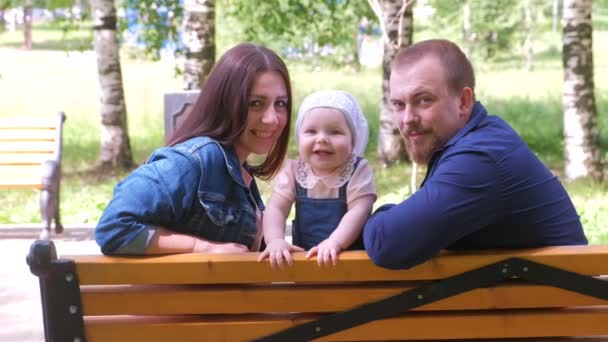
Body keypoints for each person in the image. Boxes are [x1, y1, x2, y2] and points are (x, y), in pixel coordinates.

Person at [364, 39, 588, 270]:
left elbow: (387, 243)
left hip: (546, 304)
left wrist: (365, 217)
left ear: (463, 101)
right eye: (399, 105)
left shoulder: (480, 159)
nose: (408, 119)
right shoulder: (481, 143)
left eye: (424, 100)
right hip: (533, 300)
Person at [95, 43, 293, 255]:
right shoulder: (195, 161)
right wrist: (201, 248)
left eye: (280, 103)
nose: (272, 118)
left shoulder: (241, 172)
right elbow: (114, 227)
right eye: (255, 103)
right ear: (225, 102)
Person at [258, 90, 377, 267]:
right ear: (299, 139)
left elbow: (359, 212)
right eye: (311, 131)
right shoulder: (295, 171)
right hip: (306, 262)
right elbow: (276, 208)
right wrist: (275, 240)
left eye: (335, 132)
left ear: (353, 141)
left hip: (347, 263)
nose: (322, 139)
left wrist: (335, 242)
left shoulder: (357, 170)